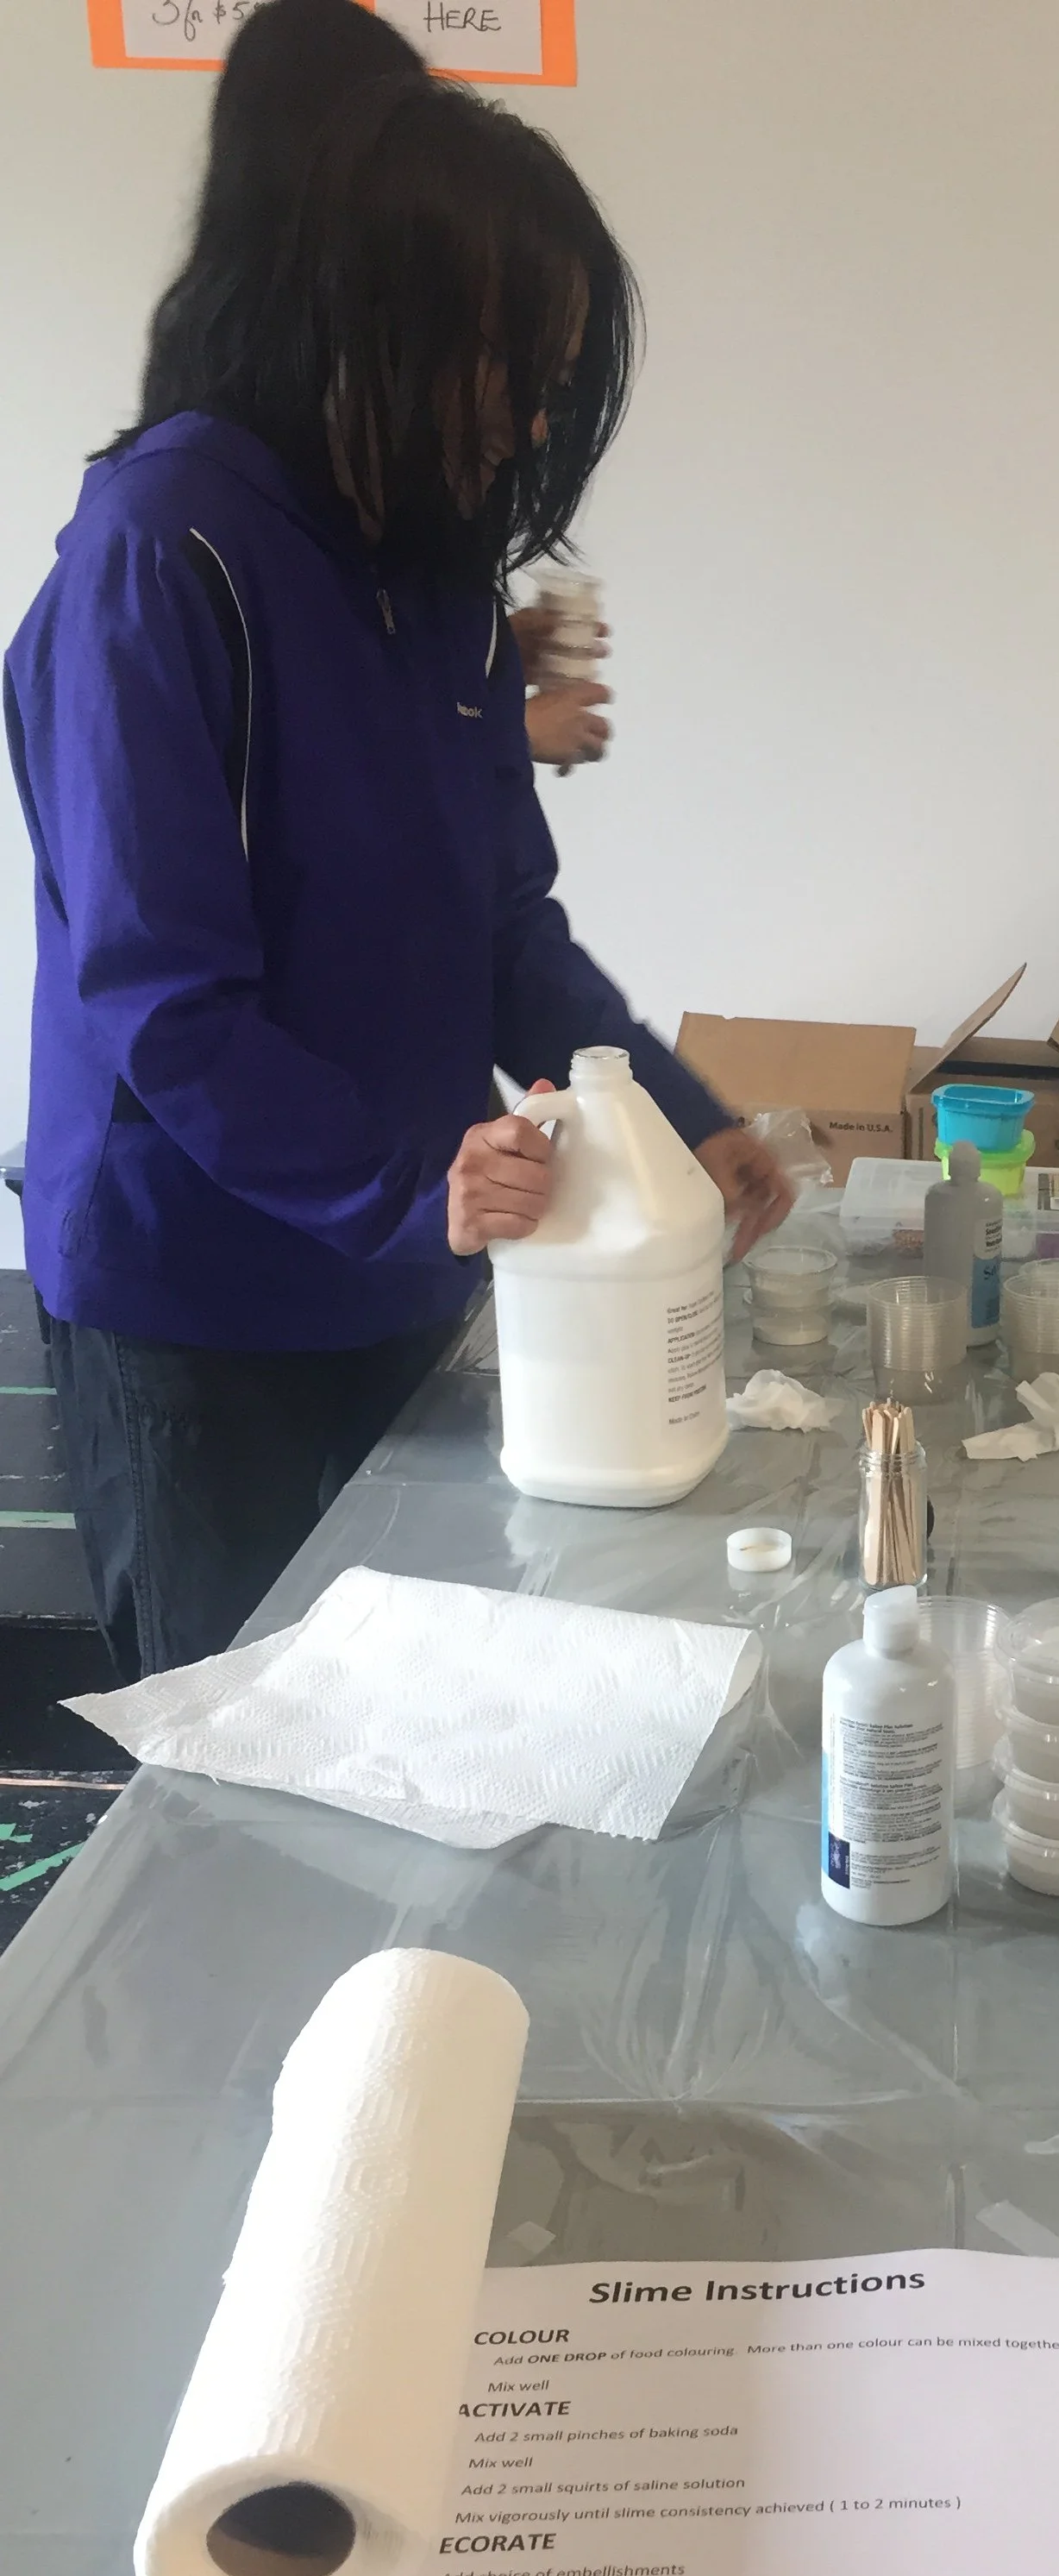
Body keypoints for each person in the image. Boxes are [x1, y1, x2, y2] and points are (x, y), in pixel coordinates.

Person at [7, 52, 790, 1685]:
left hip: (411, 1246)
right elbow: (164, 1001)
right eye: (512, 365)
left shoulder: (433, 579)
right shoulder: (168, 553)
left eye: (553, 377)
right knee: (234, 1730)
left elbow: (507, 926)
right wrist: (395, 1189)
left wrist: (675, 1113)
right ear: (377, 319)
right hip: (197, 1286)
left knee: (424, 1688)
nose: (527, 417)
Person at [138, 0, 612, 775]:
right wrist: (504, 731)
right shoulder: (177, 541)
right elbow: (325, 776)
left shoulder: (394, 507)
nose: (530, 428)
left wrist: (480, 674)